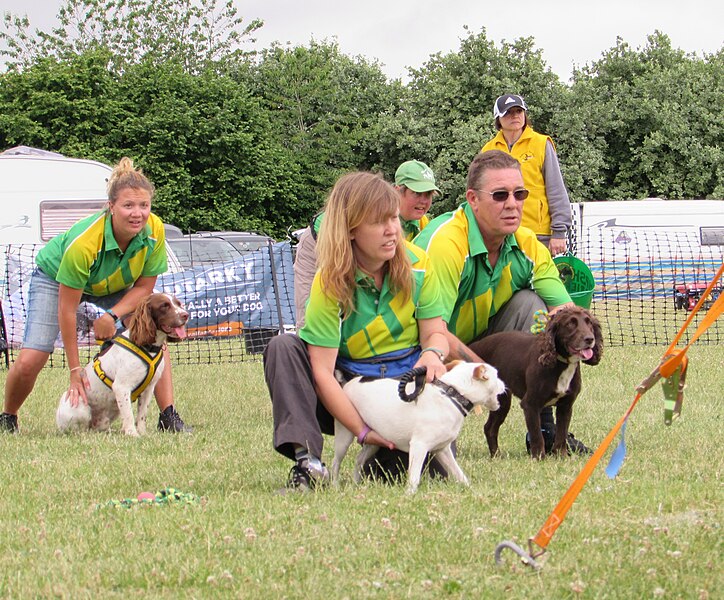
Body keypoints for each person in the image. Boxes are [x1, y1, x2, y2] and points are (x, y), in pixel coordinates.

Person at [265, 171, 450, 492]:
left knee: (402, 476)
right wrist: (362, 432)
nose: (392, 230)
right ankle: (309, 464)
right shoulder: (329, 281)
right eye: (379, 221)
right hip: (346, 392)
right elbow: (322, 373)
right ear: (351, 230)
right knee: (285, 347)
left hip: (403, 397)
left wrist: (434, 354)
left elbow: (436, 333)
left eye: (393, 217)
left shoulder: (420, 264)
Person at [414, 150, 590, 454]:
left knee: (530, 304)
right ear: (472, 199)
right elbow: (432, 332)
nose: (513, 204)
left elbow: (564, 311)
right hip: (425, 343)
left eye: (519, 193)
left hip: (481, 340)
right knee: (437, 459)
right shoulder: (447, 243)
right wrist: (486, 373)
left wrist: (576, 346)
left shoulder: (526, 242)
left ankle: (546, 429)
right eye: (499, 195)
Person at [0, 157, 191, 434]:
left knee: (152, 338)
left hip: (112, 286)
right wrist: (75, 371)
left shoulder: (155, 230)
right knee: (32, 357)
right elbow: (67, 311)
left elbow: (145, 289)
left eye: (143, 205)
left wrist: (112, 315)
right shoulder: (85, 243)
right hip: (55, 280)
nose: (137, 213)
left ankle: (168, 417)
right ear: (111, 207)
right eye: (128, 205)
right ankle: (8, 417)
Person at [293, 159, 439, 328]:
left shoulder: (422, 224)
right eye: (417, 193)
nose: (424, 201)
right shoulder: (359, 218)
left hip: (360, 258)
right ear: (397, 190)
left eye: (428, 194)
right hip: (321, 244)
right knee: (311, 317)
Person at [481, 94, 572, 256]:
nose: (515, 115)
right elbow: (481, 194)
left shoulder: (542, 143)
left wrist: (559, 232)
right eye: (508, 112)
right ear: (498, 119)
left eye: (519, 111)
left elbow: (556, 189)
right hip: (499, 235)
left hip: (538, 235)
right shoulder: (488, 150)